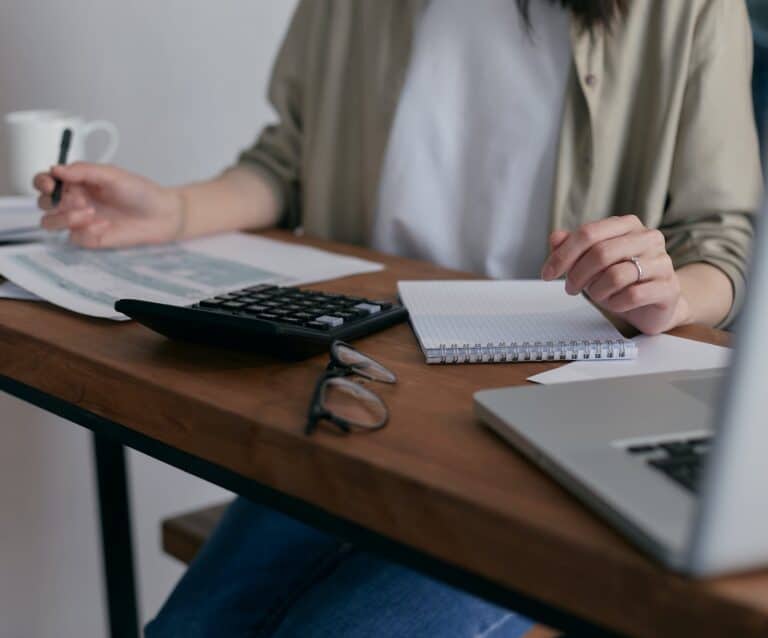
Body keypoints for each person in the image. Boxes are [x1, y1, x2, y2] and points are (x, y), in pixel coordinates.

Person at [33, 1, 762, 636]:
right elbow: (289, 161)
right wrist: (177, 210)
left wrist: (667, 295)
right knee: (185, 630)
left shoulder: (688, 7)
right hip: (360, 394)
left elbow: (720, 240)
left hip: (552, 422)